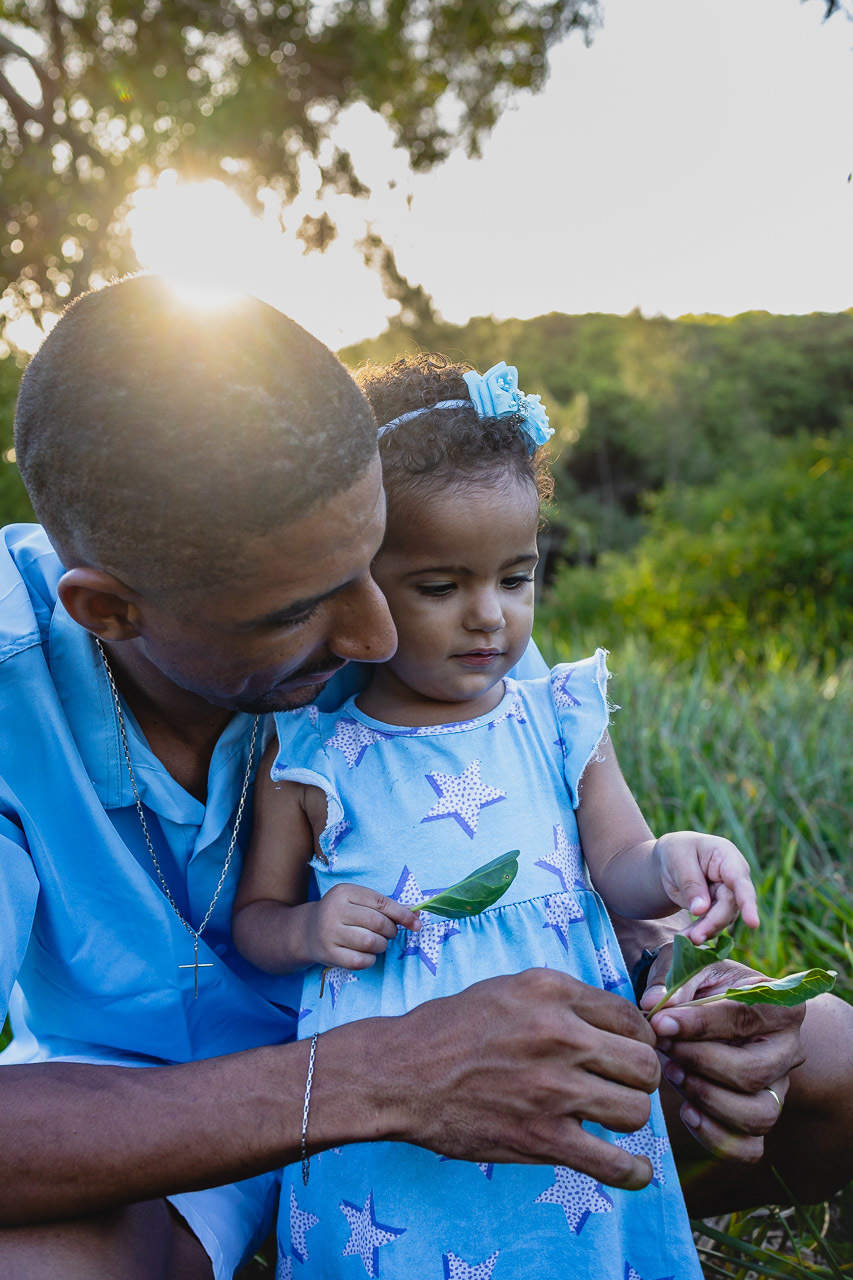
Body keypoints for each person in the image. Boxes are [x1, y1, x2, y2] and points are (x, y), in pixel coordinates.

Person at [0, 278, 843, 1280]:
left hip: (479, 1113)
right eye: (300, 610)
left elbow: (579, 881)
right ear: (108, 610)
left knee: (831, 1057)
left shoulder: (425, 618)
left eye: (380, 565)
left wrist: (696, 1016)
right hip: (156, 1129)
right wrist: (374, 1077)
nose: (378, 635)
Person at [231, 354, 767, 1276]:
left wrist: (679, 857)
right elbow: (256, 923)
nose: (488, 618)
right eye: (440, 587)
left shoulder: (556, 716)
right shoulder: (315, 754)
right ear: (361, 584)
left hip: (565, 1066)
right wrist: (311, 927)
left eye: (514, 579)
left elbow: (620, 861)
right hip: (391, 1110)